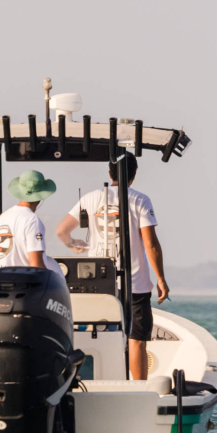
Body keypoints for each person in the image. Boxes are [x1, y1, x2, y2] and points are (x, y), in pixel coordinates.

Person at [55, 153, 168, 381]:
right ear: (133, 176)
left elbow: (61, 230)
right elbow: (151, 243)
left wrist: (73, 245)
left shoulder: (91, 198)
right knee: (137, 340)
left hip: (99, 282)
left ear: (109, 173)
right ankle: (138, 390)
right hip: (135, 283)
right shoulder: (140, 200)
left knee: (97, 335)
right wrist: (161, 278)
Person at [0, 170, 64, 277]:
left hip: (5, 285)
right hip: (27, 288)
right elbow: (37, 266)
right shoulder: (32, 221)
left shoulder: (1, 219)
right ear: (41, 196)